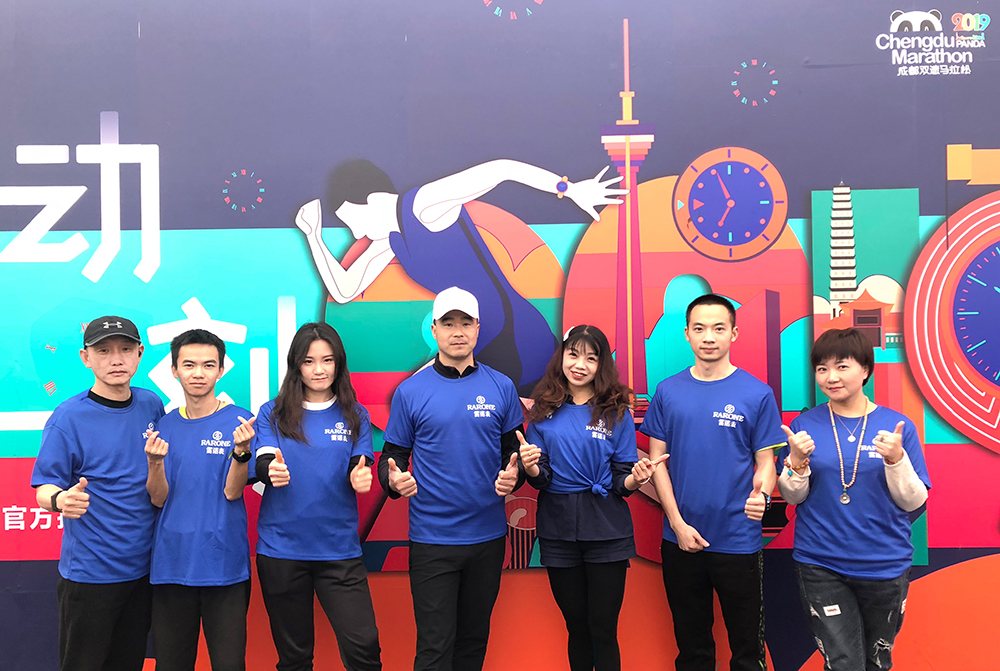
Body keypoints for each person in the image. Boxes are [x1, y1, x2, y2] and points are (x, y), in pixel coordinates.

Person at [294, 159, 625, 393]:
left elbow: (502, 169)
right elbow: (345, 289)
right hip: (473, 342)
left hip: (514, 335)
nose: (357, 232)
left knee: (542, 419)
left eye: (353, 220)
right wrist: (313, 236)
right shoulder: (391, 239)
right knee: (419, 397)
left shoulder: (424, 206)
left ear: (370, 200)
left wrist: (569, 189)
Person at [377, 286, 525, 671]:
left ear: (478, 327)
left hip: (488, 538)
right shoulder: (411, 391)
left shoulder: (501, 387)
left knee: (473, 643)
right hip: (432, 540)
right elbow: (392, 457)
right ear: (434, 329)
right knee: (435, 648)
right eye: (448, 323)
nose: (457, 332)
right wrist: (394, 480)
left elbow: (515, 456)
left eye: (465, 323)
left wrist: (515, 477)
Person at [640, 294, 785, 671]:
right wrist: (677, 524)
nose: (709, 337)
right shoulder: (668, 391)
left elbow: (766, 463)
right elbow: (657, 464)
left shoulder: (757, 393)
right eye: (700, 328)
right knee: (693, 651)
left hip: (738, 539)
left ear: (733, 333)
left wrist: (764, 493)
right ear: (687, 334)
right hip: (680, 539)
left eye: (719, 328)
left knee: (747, 652)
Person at [777, 328, 930, 671]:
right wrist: (797, 462)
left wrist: (896, 460)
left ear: (865, 370)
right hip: (821, 563)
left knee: (877, 662)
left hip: (885, 563)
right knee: (843, 663)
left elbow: (913, 501)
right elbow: (791, 496)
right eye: (822, 369)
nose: (831, 377)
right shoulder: (803, 425)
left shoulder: (897, 426)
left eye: (842, 366)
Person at [520, 325, 666, 671]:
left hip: (606, 530)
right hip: (558, 530)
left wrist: (635, 478)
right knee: (576, 626)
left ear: (602, 364)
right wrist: (532, 467)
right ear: (562, 357)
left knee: (603, 629)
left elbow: (620, 481)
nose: (580, 365)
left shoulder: (616, 411)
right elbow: (542, 478)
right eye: (573, 355)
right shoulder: (543, 409)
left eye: (591, 357)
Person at [30, 316, 165, 671]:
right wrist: (61, 500)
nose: (116, 359)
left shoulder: (151, 405)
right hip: (90, 574)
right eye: (103, 351)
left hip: (143, 570)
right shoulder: (68, 417)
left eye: (125, 349)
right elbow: (44, 488)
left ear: (139, 354)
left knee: (128, 662)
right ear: (86, 357)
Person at [252, 322, 381, 671]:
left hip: (339, 552)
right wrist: (270, 470)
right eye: (309, 361)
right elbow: (264, 458)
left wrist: (359, 476)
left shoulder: (355, 414)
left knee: (364, 647)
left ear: (339, 363)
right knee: (295, 658)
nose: (319, 369)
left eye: (327, 360)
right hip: (282, 552)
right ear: (296, 365)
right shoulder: (273, 412)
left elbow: (359, 463)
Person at [145, 329, 255, 671]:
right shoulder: (164, 425)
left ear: (221, 370)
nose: (198, 373)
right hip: (171, 565)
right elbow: (158, 499)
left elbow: (232, 491)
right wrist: (154, 462)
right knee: (172, 664)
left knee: (229, 664)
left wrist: (241, 451)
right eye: (189, 365)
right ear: (174, 370)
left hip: (224, 566)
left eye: (208, 365)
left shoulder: (240, 421)